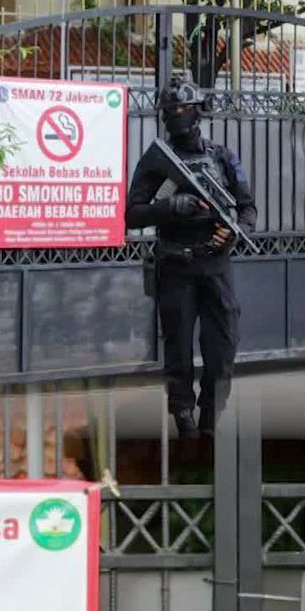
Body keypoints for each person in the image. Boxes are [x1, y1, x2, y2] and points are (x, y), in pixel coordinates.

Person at [125, 77, 257, 440]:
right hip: (176, 263)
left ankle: (211, 415)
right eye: (171, 111)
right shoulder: (157, 162)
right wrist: (171, 207)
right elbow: (132, 214)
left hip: (215, 263)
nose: (177, 115)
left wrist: (230, 232)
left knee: (223, 347)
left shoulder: (223, 157)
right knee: (179, 349)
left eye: (183, 108)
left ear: (198, 110)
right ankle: (183, 416)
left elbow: (247, 210)